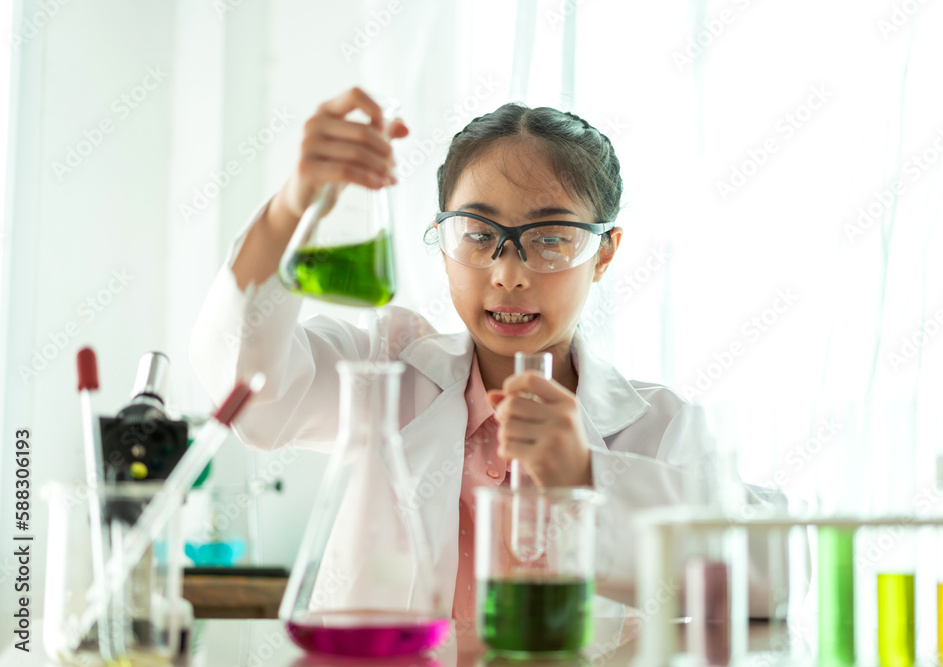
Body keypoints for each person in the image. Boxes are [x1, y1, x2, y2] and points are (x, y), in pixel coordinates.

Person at [189, 87, 784, 628]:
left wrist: (586, 473)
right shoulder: (385, 374)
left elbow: (773, 577)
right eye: (478, 234)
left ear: (604, 254)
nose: (508, 274)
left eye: (550, 239)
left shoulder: (658, 428)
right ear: (443, 239)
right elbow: (250, 391)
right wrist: (293, 206)